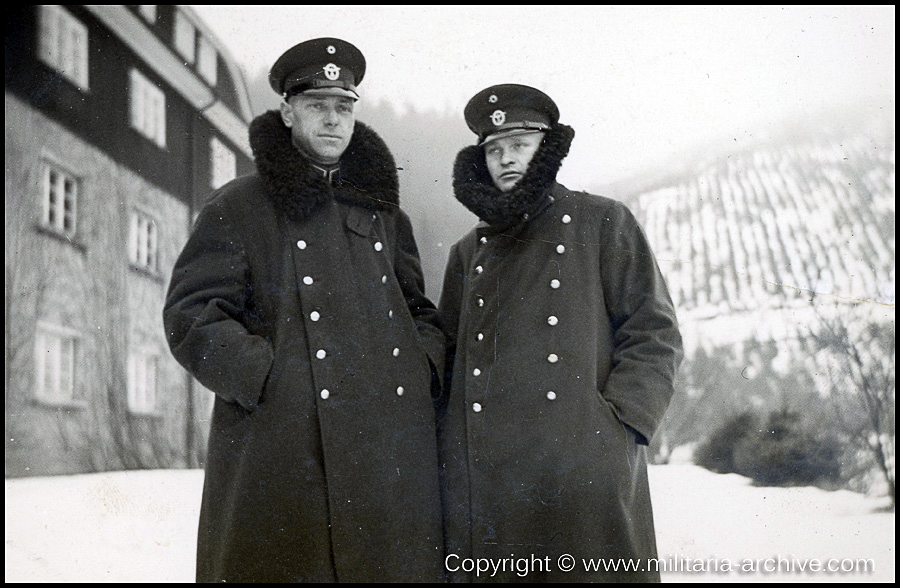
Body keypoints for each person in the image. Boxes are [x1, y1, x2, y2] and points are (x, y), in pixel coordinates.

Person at [163, 38, 445, 583]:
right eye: (318, 106)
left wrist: (420, 369)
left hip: (382, 453)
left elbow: (420, 314)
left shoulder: (386, 216)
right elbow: (192, 314)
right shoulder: (238, 206)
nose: (334, 120)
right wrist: (270, 376)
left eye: (344, 107)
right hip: (283, 450)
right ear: (288, 112)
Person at [438, 84, 683, 582]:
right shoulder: (467, 253)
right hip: (491, 485)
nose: (507, 158)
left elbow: (654, 330)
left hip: (582, 476)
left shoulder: (603, 221)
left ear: (547, 148)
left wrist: (618, 430)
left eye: (520, 144)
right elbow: (447, 357)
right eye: (494, 149)